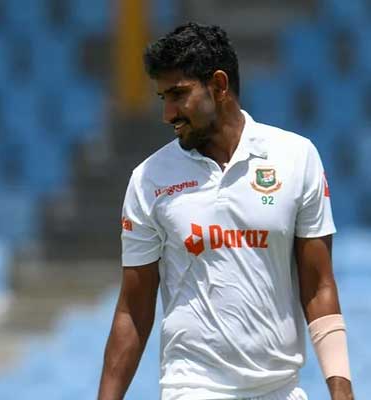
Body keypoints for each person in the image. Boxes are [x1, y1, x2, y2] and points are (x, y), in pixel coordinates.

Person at [98, 23, 353, 400]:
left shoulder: (296, 158)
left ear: (218, 85)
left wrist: (341, 388)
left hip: (281, 389)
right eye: (163, 97)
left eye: (178, 94)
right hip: (193, 387)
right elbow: (133, 310)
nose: (167, 113)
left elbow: (318, 286)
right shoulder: (149, 179)